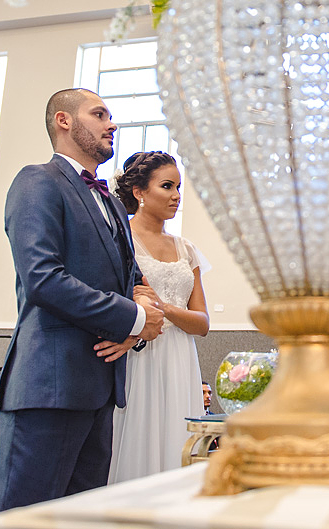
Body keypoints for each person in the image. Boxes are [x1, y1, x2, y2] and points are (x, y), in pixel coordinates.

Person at [0, 88, 163, 513]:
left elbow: (132, 280)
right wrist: (133, 318)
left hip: (101, 388)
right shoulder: (37, 181)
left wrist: (134, 328)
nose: (112, 124)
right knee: (21, 519)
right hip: (48, 386)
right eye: (99, 114)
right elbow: (43, 279)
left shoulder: (112, 203)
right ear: (64, 121)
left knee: (79, 518)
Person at [108, 151, 210, 483]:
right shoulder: (120, 241)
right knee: (138, 439)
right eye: (167, 186)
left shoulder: (187, 249)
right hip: (139, 352)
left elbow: (203, 323)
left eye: (178, 187)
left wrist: (165, 307)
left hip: (180, 357)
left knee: (175, 442)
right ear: (139, 191)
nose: (176, 195)